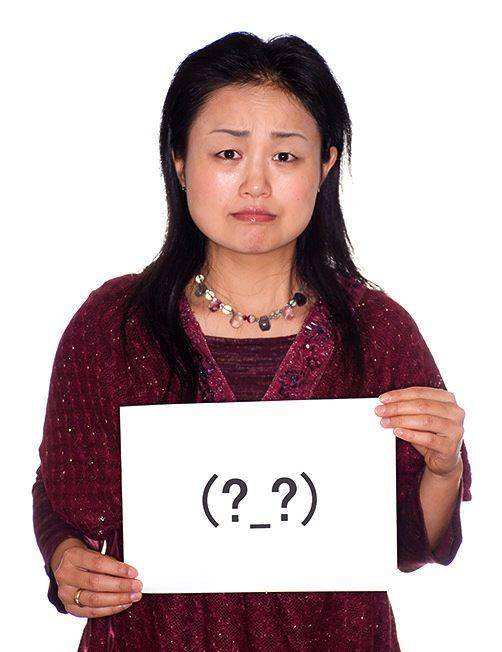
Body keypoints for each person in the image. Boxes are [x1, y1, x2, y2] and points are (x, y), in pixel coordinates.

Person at [32, 31, 472, 651]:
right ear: (180, 161)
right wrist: (66, 558)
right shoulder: (114, 325)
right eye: (228, 154)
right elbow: (62, 491)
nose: (257, 185)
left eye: (286, 156)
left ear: (326, 166)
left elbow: (410, 542)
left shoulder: (377, 329)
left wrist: (444, 465)